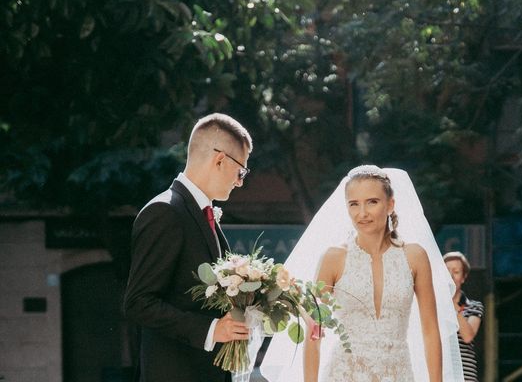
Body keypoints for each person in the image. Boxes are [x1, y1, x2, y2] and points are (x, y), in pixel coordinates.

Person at [260, 165, 464, 382]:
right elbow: (314, 332)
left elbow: (431, 332)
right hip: (343, 374)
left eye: (372, 202)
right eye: (354, 204)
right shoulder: (333, 258)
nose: (362, 213)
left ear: (390, 205)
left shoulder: (415, 256)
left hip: (399, 374)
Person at [123, 113, 253, 382]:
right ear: (220, 160)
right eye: (241, 171)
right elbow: (138, 303)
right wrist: (212, 329)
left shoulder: (203, 214)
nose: (240, 182)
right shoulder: (165, 211)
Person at [444, 251, 484, 382]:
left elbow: (468, 336)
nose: (450, 276)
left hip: (465, 375)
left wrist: (453, 305)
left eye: (456, 272)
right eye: (446, 271)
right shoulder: (432, 306)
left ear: (463, 277)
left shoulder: (473, 306)